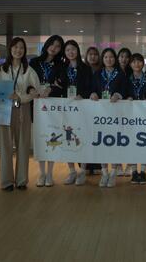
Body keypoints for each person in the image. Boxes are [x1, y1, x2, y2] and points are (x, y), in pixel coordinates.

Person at [0, 37, 40, 192]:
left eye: (21, 47)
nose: (18, 50)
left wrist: (21, 97)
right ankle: (6, 181)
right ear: (10, 49)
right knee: (5, 146)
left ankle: (21, 180)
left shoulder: (28, 70)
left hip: (23, 110)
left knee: (23, 145)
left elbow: (36, 92)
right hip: (4, 111)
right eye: (15, 47)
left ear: (24, 51)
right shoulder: (2, 69)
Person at [29, 35, 64, 187]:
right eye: (52, 44)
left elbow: (62, 84)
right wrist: (33, 90)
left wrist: (51, 88)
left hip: (52, 106)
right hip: (36, 105)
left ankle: (50, 173)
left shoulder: (61, 65)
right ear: (47, 45)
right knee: (40, 139)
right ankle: (41, 173)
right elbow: (28, 82)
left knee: (52, 138)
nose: (54, 48)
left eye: (57, 46)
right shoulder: (34, 62)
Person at [90, 48, 127, 188]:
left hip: (116, 115)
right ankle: (104, 172)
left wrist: (118, 94)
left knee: (115, 144)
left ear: (115, 59)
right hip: (101, 115)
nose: (108, 59)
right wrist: (92, 93)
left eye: (111, 57)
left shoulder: (121, 74)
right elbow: (92, 88)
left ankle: (113, 173)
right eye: (105, 57)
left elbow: (125, 90)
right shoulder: (98, 73)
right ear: (102, 59)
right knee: (102, 144)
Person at [60, 40, 92, 186]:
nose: (70, 52)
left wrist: (83, 95)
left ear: (78, 51)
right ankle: (72, 170)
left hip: (82, 108)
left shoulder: (85, 68)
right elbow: (59, 86)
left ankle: (83, 171)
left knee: (82, 138)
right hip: (67, 109)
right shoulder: (63, 68)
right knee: (68, 139)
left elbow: (90, 87)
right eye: (67, 50)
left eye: (73, 49)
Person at [126, 53, 146, 185]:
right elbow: (123, 93)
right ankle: (135, 171)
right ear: (130, 64)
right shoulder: (126, 78)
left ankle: (144, 171)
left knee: (145, 143)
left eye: (139, 61)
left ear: (143, 63)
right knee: (132, 144)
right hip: (131, 116)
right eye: (134, 62)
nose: (136, 64)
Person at [84, 46, 102, 175]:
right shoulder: (82, 69)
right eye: (90, 54)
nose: (93, 56)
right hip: (84, 108)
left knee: (98, 137)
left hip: (99, 108)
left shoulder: (101, 70)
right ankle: (84, 166)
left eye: (95, 54)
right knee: (85, 136)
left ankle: (97, 165)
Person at [117, 47, 133, 177]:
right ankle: (117, 165)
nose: (124, 59)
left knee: (129, 138)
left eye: (127, 57)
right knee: (117, 138)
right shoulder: (113, 71)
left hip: (129, 110)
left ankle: (130, 164)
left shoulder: (132, 72)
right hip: (115, 110)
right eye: (121, 56)